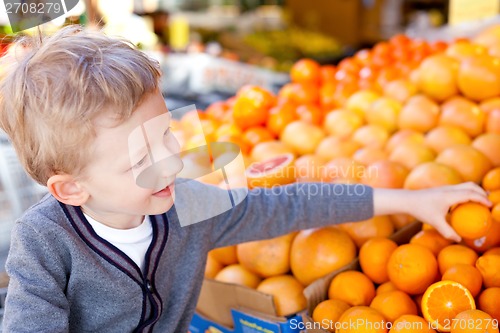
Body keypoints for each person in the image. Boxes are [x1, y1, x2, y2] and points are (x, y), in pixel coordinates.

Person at [0, 26, 491, 333]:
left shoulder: (184, 206)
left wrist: (411, 199)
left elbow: (290, 205)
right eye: (141, 160)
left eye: (168, 134)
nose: (173, 161)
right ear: (70, 189)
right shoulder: (44, 241)